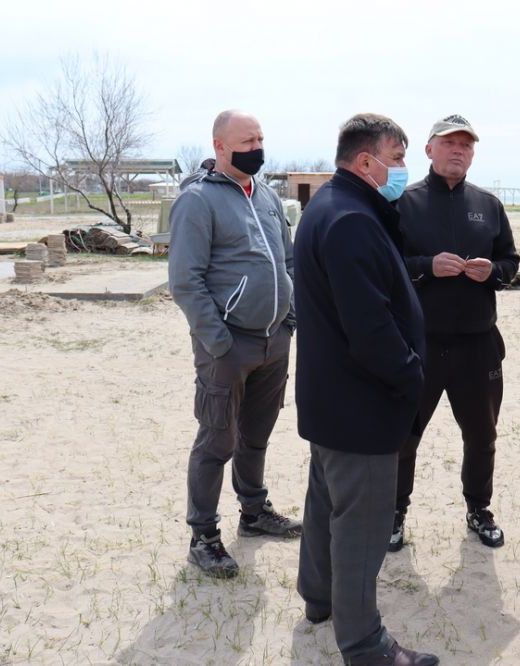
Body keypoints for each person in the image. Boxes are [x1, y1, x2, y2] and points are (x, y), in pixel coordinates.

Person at [294, 113, 439, 666]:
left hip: (333, 402)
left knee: (326, 502)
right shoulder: (351, 218)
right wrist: (410, 376)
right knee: (363, 524)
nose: (403, 169)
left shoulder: (331, 207)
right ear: (365, 162)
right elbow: (370, 326)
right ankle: (365, 644)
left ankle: (318, 597)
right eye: (397, 159)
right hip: (362, 404)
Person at [168, 109, 301, 579]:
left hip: (274, 342)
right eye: (247, 139)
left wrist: (288, 319)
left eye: (261, 137)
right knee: (216, 439)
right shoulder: (197, 201)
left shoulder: (266, 196)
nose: (257, 146)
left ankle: (254, 512)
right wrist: (218, 340)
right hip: (228, 346)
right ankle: (203, 535)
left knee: (256, 435)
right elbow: (186, 281)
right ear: (220, 145)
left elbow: (287, 261)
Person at [390, 114, 520, 551]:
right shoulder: (403, 204)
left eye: (466, 144)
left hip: (477, 344)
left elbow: (511, 263)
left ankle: (479, 509)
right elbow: (386, 268)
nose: (458, 150)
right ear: (429, 150)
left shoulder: (488, 204)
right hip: (420, 345)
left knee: (482, 437)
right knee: (404, 435)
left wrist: (493, 272)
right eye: (449, 143)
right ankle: (395, 511)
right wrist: (426, 267)